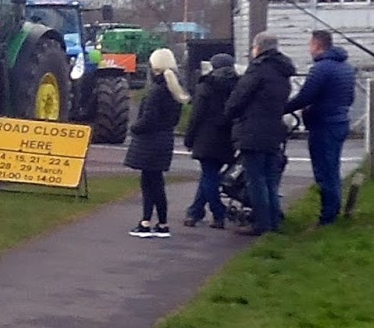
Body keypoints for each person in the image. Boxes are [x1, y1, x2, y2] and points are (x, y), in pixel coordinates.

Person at [225, 31, 297, 235]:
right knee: (270, 179)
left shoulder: (258, 69)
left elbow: (239, 97)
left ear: (260, 47)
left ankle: (262, 223)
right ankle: (274, 221)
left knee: (255, 180)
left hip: (253, 130)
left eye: (253, 47)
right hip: (274, 129)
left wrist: (230, 113)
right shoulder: (283, 72)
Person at [284, 29, 356, 225]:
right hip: (340, 121)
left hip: (324, 124)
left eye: (310, 45)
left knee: (325, 171)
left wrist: (282, 108)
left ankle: (328, 216)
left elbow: (306, 96)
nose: (309, 49)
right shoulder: (346, 68)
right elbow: (350, 97)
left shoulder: (321, 69)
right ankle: (333, 211)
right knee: (332, 168)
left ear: (316, 45)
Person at [125, 47, 191, 237]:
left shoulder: (156, 91)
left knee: (148, 183)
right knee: (158, 183)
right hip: (165, 139)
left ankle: (146, 221)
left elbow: (149, 119)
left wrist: (134, 128)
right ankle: (162, 223)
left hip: (150, 141)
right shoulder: (175, 89)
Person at [182, 52, 239, 229]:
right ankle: (194, 212)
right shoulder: (238, 86)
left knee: (209, 176)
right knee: (210, 175)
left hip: (206, 136)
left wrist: (189, 137)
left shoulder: (206, 85)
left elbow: (196, 115)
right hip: (227, 137)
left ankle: (218, 213)